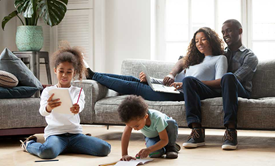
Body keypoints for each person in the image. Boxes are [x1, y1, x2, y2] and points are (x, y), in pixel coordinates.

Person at [19, 42, 111, 159]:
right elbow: (42, 112)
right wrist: (49, 107)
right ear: (55, 70)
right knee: (47, 152)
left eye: (69, 72)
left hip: (75, 135)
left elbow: (81, 105)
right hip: (55, 135)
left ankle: (73, 145)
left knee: (105, 148)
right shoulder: (48, 91)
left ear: (74, 73)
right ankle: (29, 144)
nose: (64, 75)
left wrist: (78, 108)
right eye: (61, 71)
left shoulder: (78, 91)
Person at [85, 27, 227, 102]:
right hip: (171, 88)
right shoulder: (194, 59)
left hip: (183, 94)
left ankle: (93, 75)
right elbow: (181, 62)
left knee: (134, 86)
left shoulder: (219, 59)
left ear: (211, 40)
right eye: (196, 41)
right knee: (132, 79)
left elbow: (220, 83)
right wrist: (171, 75)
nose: (199, 43)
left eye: (203, 39)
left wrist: (187, 84)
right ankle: (92, 73)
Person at [182, 19, 258, 150]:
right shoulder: (221, 53)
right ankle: (196, 131)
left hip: (240, 91)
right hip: (219, 89)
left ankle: (231, 131)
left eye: (229, 30)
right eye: (223, 32)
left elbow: (235, 79)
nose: (225, 34)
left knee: (229, 77)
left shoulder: (249, 56)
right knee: (188, 80)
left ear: (240, 31)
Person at [118, 95, 180, 160]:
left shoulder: (157, 118)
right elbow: (126, 135)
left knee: (171, 123)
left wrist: (149, 149)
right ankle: (163, 148)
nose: (135, 129)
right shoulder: (133, 120)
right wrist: (124, 154)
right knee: (155, 154)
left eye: (136, 126)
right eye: (131, 126)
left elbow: (164, 140)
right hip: (152, 137)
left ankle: (171, 147)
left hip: (166, 135)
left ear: (145, 117)